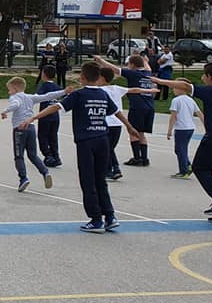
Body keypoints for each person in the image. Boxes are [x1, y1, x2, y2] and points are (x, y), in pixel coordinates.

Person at [19, 61, 141, 233]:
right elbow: (117, 112)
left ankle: (96, 219)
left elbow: (56, 106)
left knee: (88, 180)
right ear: (98, 77)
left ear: (82, 78)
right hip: (103, 140)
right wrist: (129, 127)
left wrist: (33, 118)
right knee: (100, 180)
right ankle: (110, 216)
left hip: (86, 141)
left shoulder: (79, 95)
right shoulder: (103, 95)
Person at [152, 64, 212, 223]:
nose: (202, 78)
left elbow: (186, 86)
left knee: (200, 168)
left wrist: (160, 80)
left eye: (203, 75)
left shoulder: (210, 91)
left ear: (209, 77)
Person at [1, 76, 68, 191]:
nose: (9, 92)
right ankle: (45, 172)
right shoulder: (30, 97)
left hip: (19, 129)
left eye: (10, 89)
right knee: (33, 155)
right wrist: (63, 91)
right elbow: (47, 96)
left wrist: (5, 111)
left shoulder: (14, 97)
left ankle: (23, 179)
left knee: (19, 156)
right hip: (31, 128)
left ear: (15, 89)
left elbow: (16, 104)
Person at [95, 54, 156, 168]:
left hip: (137, 106)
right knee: (141, 133)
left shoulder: (132, 73)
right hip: (150, 106)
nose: (127, 66)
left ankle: (137, 158)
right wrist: (144, 59)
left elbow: (114, 69)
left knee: (133, 132)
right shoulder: (148, 74)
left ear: (132, 65)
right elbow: (148, 67)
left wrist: (101, 60)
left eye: (128, 64)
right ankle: (145, 158)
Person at [166, 83, 201, 179]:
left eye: (175, 88)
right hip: (190, 128)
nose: (174, 90)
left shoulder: (176, 100)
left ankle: (184, 171)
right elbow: (199, 113)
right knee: (181, 149)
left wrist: (169, 130)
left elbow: (173, 116)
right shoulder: (191, 100)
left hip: (181, 128)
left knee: (180, 149)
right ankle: (188, 165)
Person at [36, 65, 65, 167]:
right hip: (55, 116)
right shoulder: (56, 86)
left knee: (42, 136)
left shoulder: (44, 86)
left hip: (45, 116)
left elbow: (38, 97)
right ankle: (56, 156)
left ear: (43, 74)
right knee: (53, 137)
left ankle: (48, 155)